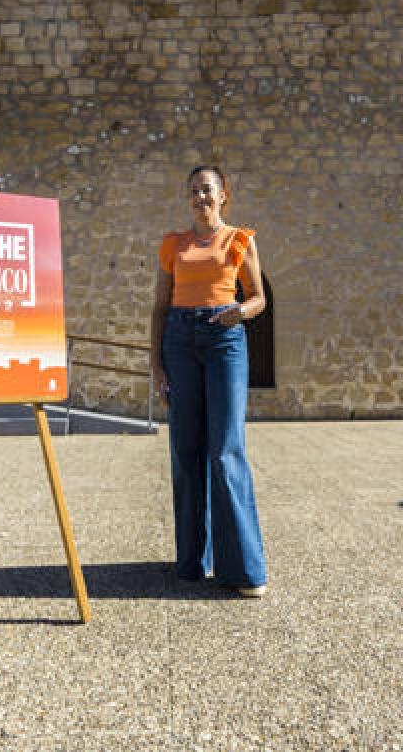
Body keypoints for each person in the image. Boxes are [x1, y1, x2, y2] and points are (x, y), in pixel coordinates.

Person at [149, 165, 269, 598]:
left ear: (224, 196)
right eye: (193, 192)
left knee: (225, 451)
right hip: (179, 343)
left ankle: (243, 570)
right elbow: (160, 308)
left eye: (207, 191)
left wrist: (242, 311)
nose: (200, 198)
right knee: (185, 449)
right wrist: (156, 365)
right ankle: (193, 561)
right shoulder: (173, 245)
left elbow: (259, 297)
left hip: (223, 339)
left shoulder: (240, 239)